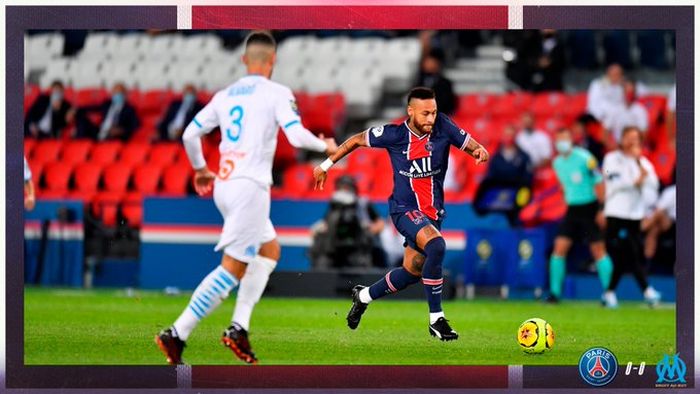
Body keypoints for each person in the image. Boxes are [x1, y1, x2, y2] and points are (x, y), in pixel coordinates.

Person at [155, 31, 337, 365]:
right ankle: (177, 333)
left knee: (269, 250)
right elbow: (295, 136)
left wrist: (199, 168)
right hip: (250, 187)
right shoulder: (277, 92)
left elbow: (189, 133)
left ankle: (239, 327)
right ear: (273, 61)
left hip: (224, 184)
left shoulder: (225, 95)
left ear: (244, 60)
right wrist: (325, 146)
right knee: (232, 269)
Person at [313, 87, 489, 341]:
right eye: (425, 113)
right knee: (437, 245)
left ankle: (363, 297)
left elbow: (469, 144)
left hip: (432, 213)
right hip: (404, 209)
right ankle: (436, 320)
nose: (431, 118)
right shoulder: (394, 134)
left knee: (412, 270)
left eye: (434, 112)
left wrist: (478, 150)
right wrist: (325, 165)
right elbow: (355, 140)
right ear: (411, 111)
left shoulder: (443, 126)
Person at [545, 128, 613, 303]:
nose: (562, 143)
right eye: (559, 139)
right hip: (572, 209)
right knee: (559, 248)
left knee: (598, 250)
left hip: (590, 208)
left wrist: (601, 209)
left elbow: (599, 183)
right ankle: (555, 294)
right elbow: (564, 185)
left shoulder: (585, 159)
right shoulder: (557, 163)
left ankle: (609, 293)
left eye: (565, 138)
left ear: (571, 140)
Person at [601, 126, 661, 307]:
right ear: (622, 139)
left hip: (635, 214)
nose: (632, 142)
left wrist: (639, 167)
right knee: (631, 251)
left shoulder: (642, 162)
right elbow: (613, 182)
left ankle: (609, 293)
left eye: (636, 138)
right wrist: (636, 181)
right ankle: (647, 290)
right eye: (629, 137)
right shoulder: (611, 159)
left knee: (625, 256)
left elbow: (653, 183)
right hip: (616, 213)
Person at [309, 175, 385, 269]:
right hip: (336, 246)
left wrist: (367, 230)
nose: (344, 191)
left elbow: (380, 223)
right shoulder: (335, 204)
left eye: (347, 187)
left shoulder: (363, 203)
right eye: (341, 188)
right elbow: (326, 222)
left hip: (359, 246)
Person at [75, 82, 140, 141]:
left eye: (119, 93)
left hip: (114, 135)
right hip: (101, 131)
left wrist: (121, 130)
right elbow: (91, 108)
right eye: (115, 93)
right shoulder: (107, 104)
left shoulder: (129, 109)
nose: (117, 95)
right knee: (80, 116)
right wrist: (75, 109)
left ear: (125, 94)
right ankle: (78, 144)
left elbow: (135, 125)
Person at [601, 79, 648, 145]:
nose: (629, 94)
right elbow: (605, 130)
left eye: (631, 92)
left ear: (635, 93)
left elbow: (644, 133)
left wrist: (635, 146)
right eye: (627, 91)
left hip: (633, 146)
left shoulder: (640, 110)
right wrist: (610, 146)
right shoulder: (615, 109)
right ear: (623, 92)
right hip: (617, 146)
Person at [415, 48, 457, 116]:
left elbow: (448, 105)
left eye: (431, 61)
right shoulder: (419, 82)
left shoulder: (445, 83)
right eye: (426, 61)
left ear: (438, 64)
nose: (428, 64)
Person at [641, 182, 675, 262]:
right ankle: (647, 261)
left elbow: (659, 210)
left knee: (658, 214)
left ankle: (642, 227)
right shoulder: (672, 190)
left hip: (676, 224)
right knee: (654, 229)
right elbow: (659, 207)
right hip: (668, 222)